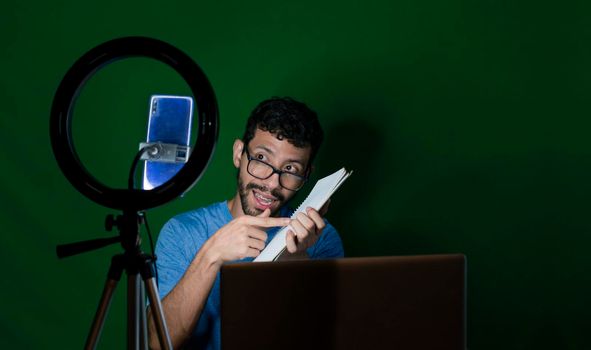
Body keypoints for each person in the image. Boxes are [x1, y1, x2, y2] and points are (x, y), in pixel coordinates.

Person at [147, 97, 344, 349]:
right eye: (261, 158)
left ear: (306, 175)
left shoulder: (322, 239)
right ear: (239, 154)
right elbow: (157, 342)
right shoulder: (182, 232)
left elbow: (326, 337)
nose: (272, 183)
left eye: (291, 169)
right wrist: (212, 255)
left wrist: (297, 260)